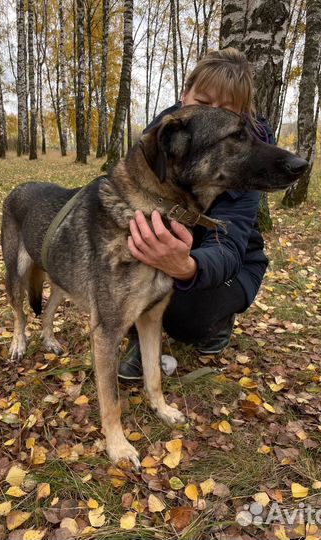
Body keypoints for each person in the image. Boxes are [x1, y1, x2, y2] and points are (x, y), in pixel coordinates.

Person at [118, 48, 275, 382]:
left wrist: (190, 267)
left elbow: (230, 243)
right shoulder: (166, 132)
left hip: (228, 262)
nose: (211, 114)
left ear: (242, 115)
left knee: (185, 314)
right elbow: (125, 192)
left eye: (228, 109)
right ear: (184, 95)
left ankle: (216, 323)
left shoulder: (252, 159)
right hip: (172, 246)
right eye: (203, 103)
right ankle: (139, 339)